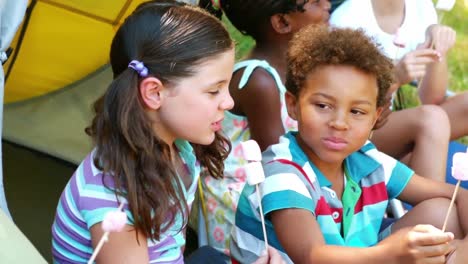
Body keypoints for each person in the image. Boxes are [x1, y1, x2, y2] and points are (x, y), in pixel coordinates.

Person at [50, 2, 284, 263]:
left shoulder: (180, 150)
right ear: (154, 93)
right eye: (213, 91)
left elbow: (168, 247)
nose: (228, 102)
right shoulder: (114, 196)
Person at [231, 25, 468, 264]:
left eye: (356, 111)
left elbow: (459, 194)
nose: (339, 123)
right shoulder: (282, 172)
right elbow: (311, 256)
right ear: (293, 105)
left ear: (375, 117)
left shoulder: (368, 161)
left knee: (441, 212)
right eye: (323, 106)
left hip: (363, 256)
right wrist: (391, 253)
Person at [196, 0, 331, 255]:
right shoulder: (260, 82)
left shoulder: (299, 63)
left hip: (290, 184)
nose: (326, 4)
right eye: (313, 2)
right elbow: (281, 164)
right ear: (282, 22)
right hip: (248, 208)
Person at [330, 0, 466, 182]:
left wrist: (437, 48)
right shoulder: (347, 18)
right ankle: (433, 205)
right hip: (353, 130)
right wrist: (393, 79)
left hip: (388, 125)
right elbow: (343, 105)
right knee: (431, 119)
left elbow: (432, 98)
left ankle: (411, 172)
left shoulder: (420, 6)